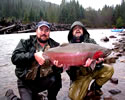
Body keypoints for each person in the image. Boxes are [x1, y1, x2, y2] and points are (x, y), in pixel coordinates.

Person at [9, 21, 63, 100]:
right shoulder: (25, 43)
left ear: (49, 32)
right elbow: (14, 58)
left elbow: (60, 69)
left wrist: (58, 67)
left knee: (56, 79)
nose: (43, 32)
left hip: (44, 81)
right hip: (26, 82)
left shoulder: (56, 46)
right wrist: (33, 55)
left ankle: (51, 97)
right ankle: (11, 96)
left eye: (46, 30)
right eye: (41, 29)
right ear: (36, 31)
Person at [66, 21, 114, 100]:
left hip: (93, 71)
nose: (77, 30)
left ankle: (95, 88)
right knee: (74, 97)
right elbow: (71, 75)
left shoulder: (91, 42)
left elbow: (100, 58)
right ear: (71, 32)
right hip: (81, 76)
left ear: (83, 30)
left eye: (80, 28)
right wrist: (77, 65)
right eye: (75, 28)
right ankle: (80, 87)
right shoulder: (68, 47)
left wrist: (99, 62)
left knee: (109, 69)